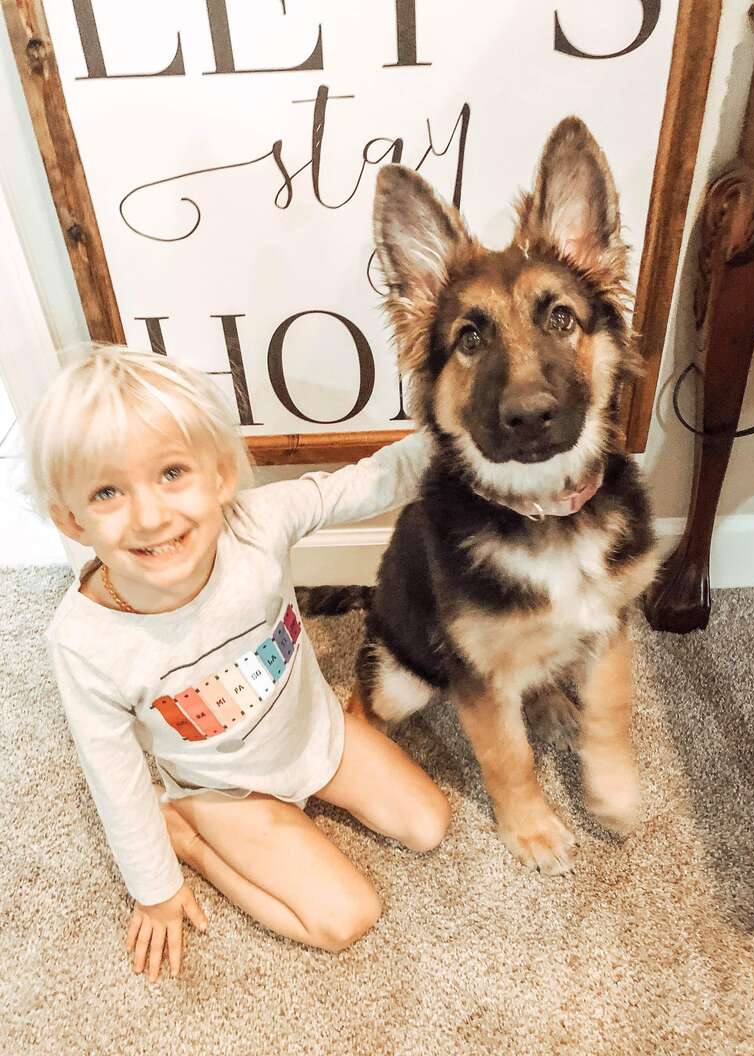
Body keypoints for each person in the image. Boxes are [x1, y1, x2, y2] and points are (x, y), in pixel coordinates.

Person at [27, 345, 449, 981]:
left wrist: (465, 437)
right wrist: (156, 890)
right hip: (224, 790)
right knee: (344, 917)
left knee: (429, 824)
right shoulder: (85, 643)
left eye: (172, 473)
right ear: (72, 519)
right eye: (108, 491)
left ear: (219, 476)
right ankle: (192, 835)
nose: (150, 516)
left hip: (315, 734)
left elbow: (367, 482)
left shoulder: (257, 523)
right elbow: (112, 778)